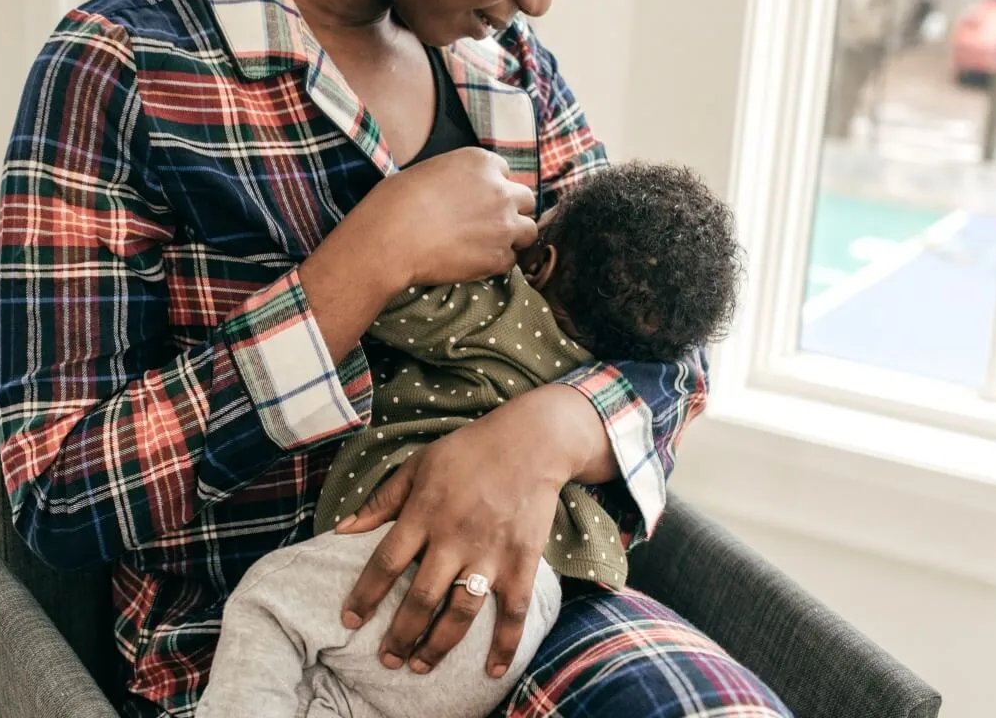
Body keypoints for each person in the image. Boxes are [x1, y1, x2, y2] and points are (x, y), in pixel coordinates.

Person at [0, 0, 792, 716]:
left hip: (526, 621)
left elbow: (670, 345)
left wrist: (541, 438)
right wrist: (367, 263)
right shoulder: (123, 67)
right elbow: (59, 497)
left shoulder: (517, 78)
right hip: (264, 657)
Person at [197, 163, 743, 718]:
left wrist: (399, 235)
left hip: (406, 561)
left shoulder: (493, 310)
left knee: (267, 603)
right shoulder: (623, 366)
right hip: (518, 616)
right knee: (341, 694)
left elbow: (388, 303)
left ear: (540, 261)